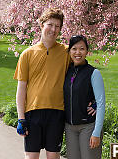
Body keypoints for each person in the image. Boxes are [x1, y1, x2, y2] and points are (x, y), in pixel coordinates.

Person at [14, 8, 96, 159]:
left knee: (53, 156)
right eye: (50, 25)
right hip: (33, 113)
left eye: (57, 26)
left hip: (57, 113)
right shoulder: (27, 54)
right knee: (31, 157)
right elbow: (21, 89)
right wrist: (21, 118)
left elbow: (85, 73)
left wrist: (94, 99)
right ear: (41, 25)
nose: (53, 29)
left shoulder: (66, 52)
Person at [63, 35, 105, 159]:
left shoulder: (93, 73)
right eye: (74, 49)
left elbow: (101, 103)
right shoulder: (66, 71)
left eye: (82, 49)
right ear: (69, 51)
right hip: (70, 128)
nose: (78, 52)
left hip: (88, 127)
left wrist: (96, 133)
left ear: (87, 51)